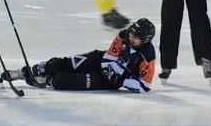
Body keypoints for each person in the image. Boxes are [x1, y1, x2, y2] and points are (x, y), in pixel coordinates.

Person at [9, 18, 156, 93]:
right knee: (65, 63)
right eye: (132, 33)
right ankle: (27, 72)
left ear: (145, 40)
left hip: (112, 81)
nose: (131, 38)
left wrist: (120, 79)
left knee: (64, 81)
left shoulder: (148, 56)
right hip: (100, 59)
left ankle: (46, 80)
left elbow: (145, 86)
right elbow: (110, 56)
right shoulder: (123, 36)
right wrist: (107, 67)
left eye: (136, 37)